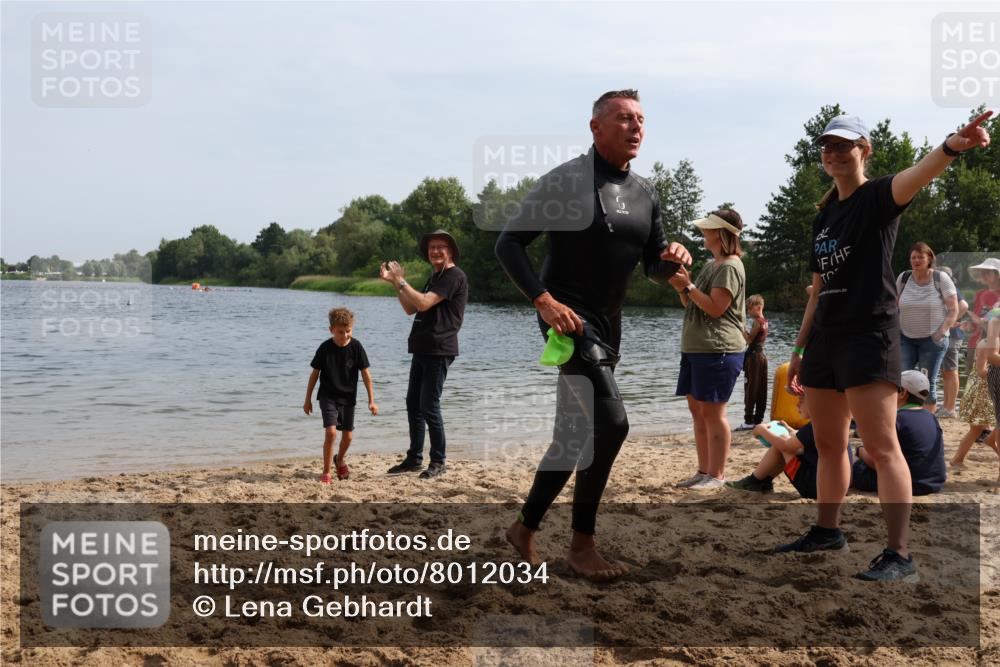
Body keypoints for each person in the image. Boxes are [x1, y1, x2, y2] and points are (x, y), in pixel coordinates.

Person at [783, 111, 992, 582]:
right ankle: (827, 531)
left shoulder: (878, 197)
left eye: (845, 145)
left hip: (868, 336)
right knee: (830, 443)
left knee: (881, 446)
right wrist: (799, 349)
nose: (834, 153)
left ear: (865, 150)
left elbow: (921, 172)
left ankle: (899, 554)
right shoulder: (823, 218)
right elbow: (817, 291)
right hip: (826, 339)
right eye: (828, 146)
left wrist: (952, 146)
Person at [495, 89, 691, 581]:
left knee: (572, 436)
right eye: (624, 118)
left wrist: (672, 260)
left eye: (641, 119)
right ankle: (582, 545)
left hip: (609, 326)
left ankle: (523, 528)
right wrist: (543, 300)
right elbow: (509, 244)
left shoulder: (646, 192)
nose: (636, 127)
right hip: (568, 320)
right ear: (596, 126)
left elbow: (652, 267)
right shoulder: (566, 182)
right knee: (613, 424)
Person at [379, 230, 468, 479]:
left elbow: (424, 303)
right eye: (431, 247)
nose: (435, 251)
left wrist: (401, 281)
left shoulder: (455, 276)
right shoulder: (436, 276)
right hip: (423, 347)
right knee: (413, 404)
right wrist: (395, 283)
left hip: (439, 349)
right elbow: (411, 308)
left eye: (441, 247)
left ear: (451, 251)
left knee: (429, 405)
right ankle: (414, 459)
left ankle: (438, 461)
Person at [669, 210, 747, 489]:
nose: (703, 232)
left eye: (708, 228)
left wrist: (688, 286)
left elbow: (716, 309)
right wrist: (682, 288)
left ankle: (716, 475)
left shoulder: (730, 267)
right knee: (699, 413)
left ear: (720, 233)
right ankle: (704, 472)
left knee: (713, 415)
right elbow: (691, 303)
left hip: (718, 349)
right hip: (697, 349)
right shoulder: (712, 265)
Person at [303, 307, 378, 482]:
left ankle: (340, 459)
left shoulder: (356, 347)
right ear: (331, 330)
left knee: (348, 436)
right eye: (340, 332)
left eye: (348, 331)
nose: (345, 335)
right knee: (331, 433)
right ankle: (326, 472)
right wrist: (307, 400)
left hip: (348, 397)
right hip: (328, 395)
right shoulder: (325, 348)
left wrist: (371, 401)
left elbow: (366, 374)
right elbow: (314, 375)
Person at [850, 371, 947, 497]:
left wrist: (859, 450)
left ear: (903, 393)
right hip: (935, 483)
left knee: (855, 464)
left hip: (908, 484)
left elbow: (881, 461)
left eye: (891, 389)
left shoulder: (896, 420)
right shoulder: (931, 417)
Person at [726, 398, 844, 499]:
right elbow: (804, 440)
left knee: (783, 442)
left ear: (815, 403)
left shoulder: (813, 427)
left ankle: (754, 481)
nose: (797, 404)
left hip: (813, 489)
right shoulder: (832, 422)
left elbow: (785, 446)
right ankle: (763, 481)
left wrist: (762, 431)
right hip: (836, 487)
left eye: (801, 400)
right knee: (788, 442)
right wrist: (790, 429)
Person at [896, 242, 959, 411]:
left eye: (920, 257)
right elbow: (894, 306)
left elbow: (954, 309)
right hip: (905, 338)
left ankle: (927, 420)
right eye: (913, 257)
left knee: (926, 382)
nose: (916, 260)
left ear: (929, 259)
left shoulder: (940, 278)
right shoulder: (903, 278)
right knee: (902, 380)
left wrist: (941, 331)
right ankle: (903, 418)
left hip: (932, 341)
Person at [950, 338, 998, 469]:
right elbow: (981, 371)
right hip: (981, 393)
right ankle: (958, 459)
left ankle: (958, 459)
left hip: (986, 391)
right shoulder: (987, 344)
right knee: (975, 429)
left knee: (976, 430)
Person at [936, 266, 968, 418]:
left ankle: (950, 408)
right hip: (949, 335)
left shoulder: (951, 289)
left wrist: (949, 322)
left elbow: (964, 305)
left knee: (951, 370)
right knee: (945, 371)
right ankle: (946, 406)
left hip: (953, 335)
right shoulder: (945, 289)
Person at [737, 294, 769, 431]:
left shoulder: (757, 322)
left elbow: (749, 340)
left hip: (754, 358)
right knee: (761, 389)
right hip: (762, 357)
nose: (748, 311)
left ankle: (748, 421)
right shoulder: (765, 321)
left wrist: (741, 328)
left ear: (758, 307)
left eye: (750, 308)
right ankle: (758, 419)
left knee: (750, 388)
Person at [964, 258, 1000, 372]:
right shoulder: (979, 294)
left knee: (991, 378)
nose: (983, 275)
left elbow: (989, 318)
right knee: (973, 378)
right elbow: (976, 318)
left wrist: (980, 320)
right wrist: (969, 324)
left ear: (997, 275)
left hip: (993, 346)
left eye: (987, 272)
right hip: (974, 343)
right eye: (982, 272)